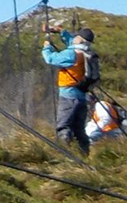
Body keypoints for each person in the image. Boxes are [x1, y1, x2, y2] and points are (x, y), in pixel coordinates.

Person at [41, 25, 99, 155]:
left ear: (79, 39)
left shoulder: (71, 54)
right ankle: (84, 155)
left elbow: (50, 58)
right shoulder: (86, 53)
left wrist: (47, 46)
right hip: (82, 97)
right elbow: (70, 42)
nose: (74, 38)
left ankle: (64, 154)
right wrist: (60, 31)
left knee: (63, 126)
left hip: (68, 96)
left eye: (76, 36)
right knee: (79, 130)